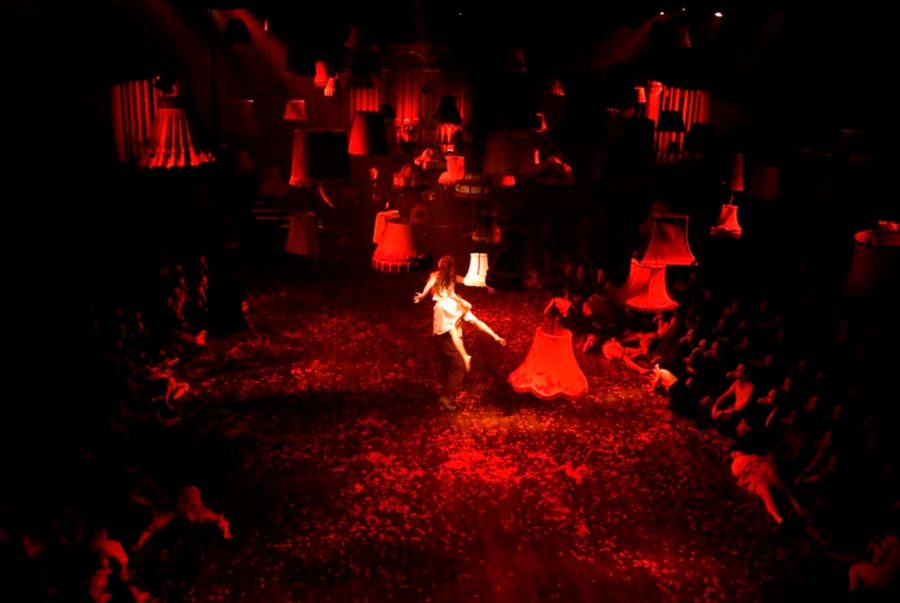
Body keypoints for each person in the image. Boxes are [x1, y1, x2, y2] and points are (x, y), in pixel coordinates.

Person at [414, 255, 506, 409]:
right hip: (445, 331)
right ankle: (445, 396)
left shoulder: (457, 302)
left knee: (454, 362)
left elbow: (478, 321)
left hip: (451, 319)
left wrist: (495, 336)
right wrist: (465, 356)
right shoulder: (443, 302)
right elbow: (454, 337)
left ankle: (446, 388)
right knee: (459, 364)